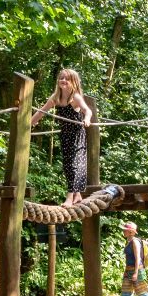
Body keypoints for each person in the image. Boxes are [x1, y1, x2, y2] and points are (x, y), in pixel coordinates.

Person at [31, 68, 94, 205]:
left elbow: (87, 110)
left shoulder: (75, 97)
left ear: (74, 82)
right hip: (65, 135)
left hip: (77, 135)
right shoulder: (56, 98)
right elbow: (41, 112)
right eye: (61, 78)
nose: (63, 81)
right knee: (67, 166)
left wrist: (87, 119)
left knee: (74, 165)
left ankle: (70, 197)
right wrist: (29, 123)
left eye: (67, 79)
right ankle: (77, 195)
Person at [120, 221, 148, 296]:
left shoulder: (135, 242)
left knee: (141, 292)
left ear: (131, 232)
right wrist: (126, 271)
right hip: (128, 270)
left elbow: (138, 258)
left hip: (137, 270)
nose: (124, 231)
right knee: (126, 290)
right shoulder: (128, 241)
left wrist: (136, 273)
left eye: (126, 230)